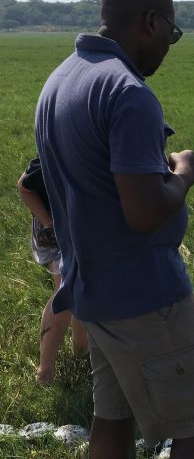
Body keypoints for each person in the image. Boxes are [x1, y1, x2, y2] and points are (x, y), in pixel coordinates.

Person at [34, 0, 194, 458]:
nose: (169, 45)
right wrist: (184, 173)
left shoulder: (61, 79)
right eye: (172, 33)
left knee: (111, 418)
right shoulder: (128, 93)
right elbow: (144, 214)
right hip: (147, 296)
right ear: (150, 21)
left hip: (93, 289)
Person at [17, 157, 88, 384]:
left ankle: (81, 355)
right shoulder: (55, 151)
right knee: (66, 290)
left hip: (78, 224)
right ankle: (45, 372)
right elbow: (24, 187)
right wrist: (49, 224)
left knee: (83, 286)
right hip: (53, 229)